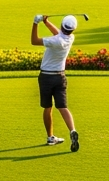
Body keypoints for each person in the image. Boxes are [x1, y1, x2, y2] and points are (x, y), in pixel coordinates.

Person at [31, 14, 80, 151]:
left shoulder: (55, 41)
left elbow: (34, 41)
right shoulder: (70, 38)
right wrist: (46, 22)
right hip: (60, 77)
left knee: (47, 107)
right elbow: (58, 33)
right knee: (63, 107)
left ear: (62, 25)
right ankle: (72, 130)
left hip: (46, 77)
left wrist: (35, 23)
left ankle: (50, 137)